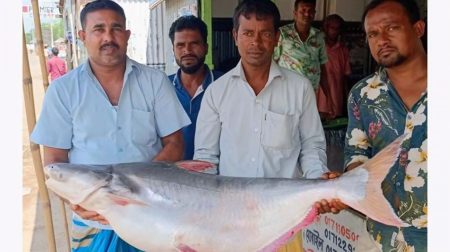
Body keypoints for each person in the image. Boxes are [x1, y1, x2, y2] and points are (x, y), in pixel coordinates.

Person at [31, 0, 190, 251]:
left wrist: (133, 190)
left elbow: (175, 143)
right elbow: (53, 162)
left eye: (116, 28)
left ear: (127, 35)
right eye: (98, 29)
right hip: (92, 220)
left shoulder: (155, 82)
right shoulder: (63, 91)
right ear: (83, 36)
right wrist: (76, 201)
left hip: (151, 215)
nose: (108, 37)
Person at [194, 0, 346, 249]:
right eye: (248, 33)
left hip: (285, 219)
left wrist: (319, 183)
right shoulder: (216, 93)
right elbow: (206, 158)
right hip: (230, 220)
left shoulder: (299, 88)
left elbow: (311, 146)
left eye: (265, 33)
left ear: (276, 38)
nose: (256, 42)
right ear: (235, 36)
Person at [344, 0, 427, 251]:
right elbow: (356, 156)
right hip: (384, 238)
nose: (382, 39)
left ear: (418, 29)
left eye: (391, 28)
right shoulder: (363, 95)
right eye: (373, 33)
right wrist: (342, 187)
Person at [168, 15, 223, 160]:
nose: (187, 50)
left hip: (217, 175)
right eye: (180, 45)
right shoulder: (161, 87)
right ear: (173, 50)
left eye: (194, 44)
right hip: (171, 175)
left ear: (206, 47)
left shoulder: (225, 84)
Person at [273, 0, 329, 96]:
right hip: (287, 90)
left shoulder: (319, 36)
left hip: (310, 91)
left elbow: (322, 67)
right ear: (295, 14)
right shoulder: (283, 33)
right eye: (302, 11)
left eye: (310, 11)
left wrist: (329, 98)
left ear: (314, 14)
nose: (307, 14)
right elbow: (273, 62)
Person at [316, 14, 351, 119]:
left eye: (337, 28)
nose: (334, 31)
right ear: (326, 28)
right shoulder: (317, 47)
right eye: (332, 28)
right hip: (318, 99)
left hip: (336, 99)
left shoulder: (343, 49)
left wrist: (348, 100)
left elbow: (346, 76)